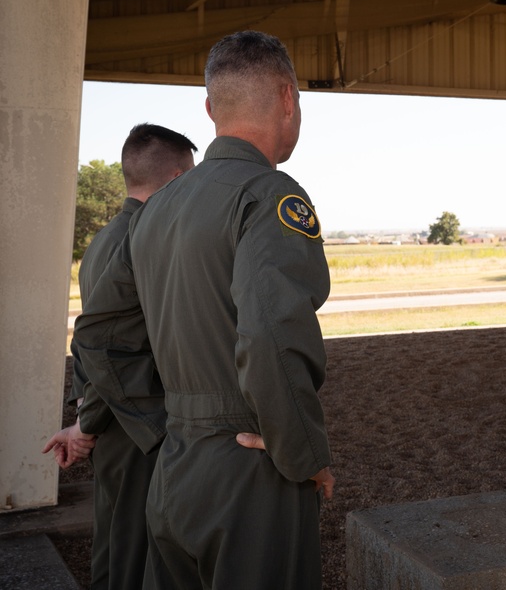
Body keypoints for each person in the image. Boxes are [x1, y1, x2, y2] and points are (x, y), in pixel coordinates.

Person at [74, 30, 335, 589]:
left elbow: (97, 333)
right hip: (248, 472)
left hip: (171, 471)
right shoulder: (268, 194)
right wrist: (301, 450)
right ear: (288, 98)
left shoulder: (155, 209)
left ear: (211, 107)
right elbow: (270, 331)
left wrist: (161, 424)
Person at [43, 123, 196, 590]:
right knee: (135, 552)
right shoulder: (143, 243)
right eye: (190, 179)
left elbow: (92, 348)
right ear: (174, 179)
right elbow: (108, 348)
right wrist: (88, 424)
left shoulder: (106, 238)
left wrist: (83, 421)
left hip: (113, 422)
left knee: (113, 544)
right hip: (133, 426)